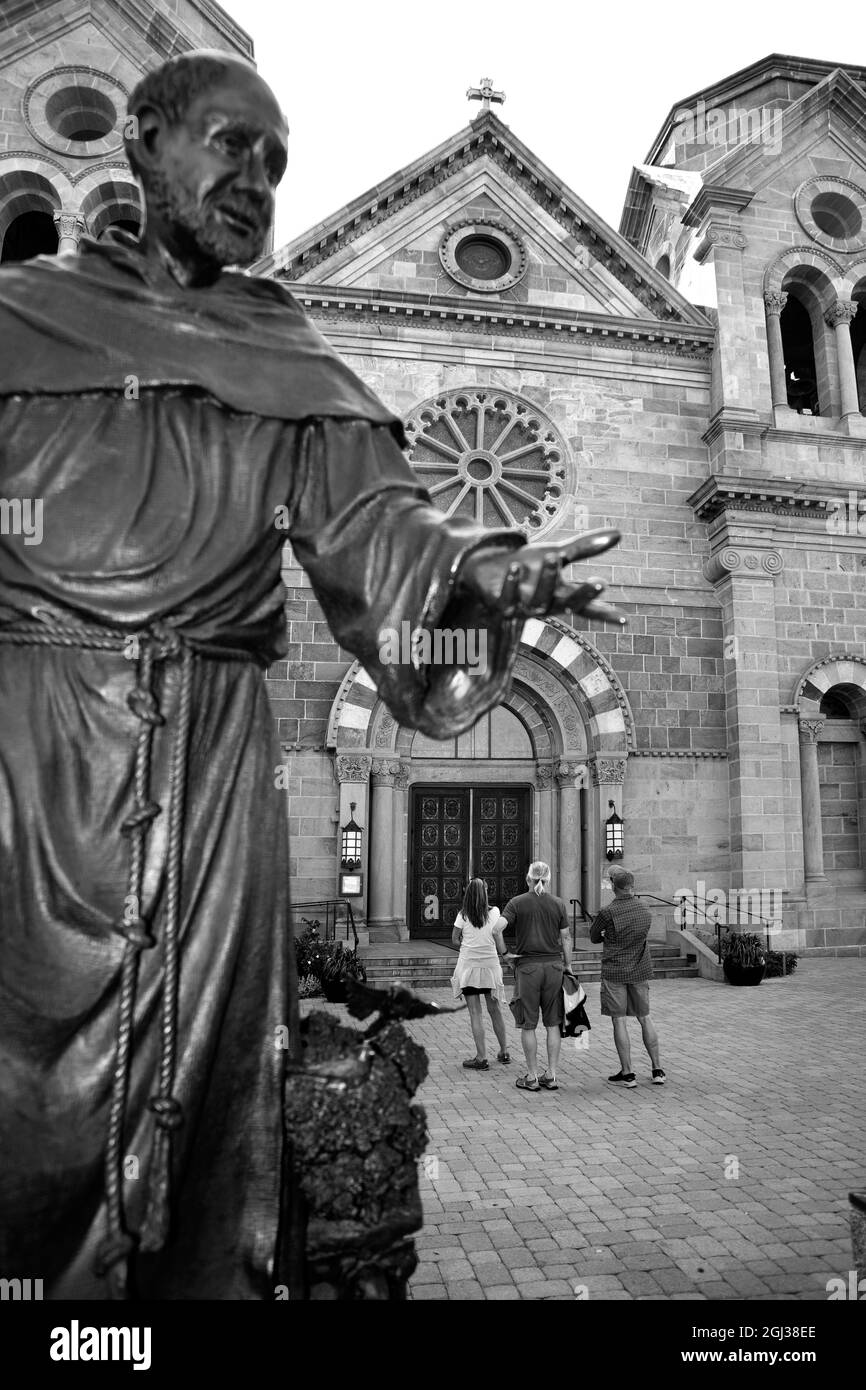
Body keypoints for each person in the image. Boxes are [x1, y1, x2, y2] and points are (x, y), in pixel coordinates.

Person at [0, 50, 624, 1300]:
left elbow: (383, 555)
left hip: (216, 766)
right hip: (34, 741)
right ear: (141, 137)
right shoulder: (19, 315)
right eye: (230, 144)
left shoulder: (283, 348)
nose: (253, 178)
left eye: (275, 163)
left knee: (208, 1072)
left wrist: (484, 584)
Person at [590, 867, 665, 1088]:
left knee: (619, 1020)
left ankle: (628, 1073)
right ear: (632, 886)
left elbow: (594, 936)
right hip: (639, 969)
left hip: (615, 971)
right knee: (645, 1017)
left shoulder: (608, 911)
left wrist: (607, 935)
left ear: (614, 886)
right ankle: (657, 1069)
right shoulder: (644, 907)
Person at [501, 862, 571, 1092]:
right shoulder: (558, 904)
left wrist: (505, 954)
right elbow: (566, 938)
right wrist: (568, 965)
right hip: (553, 966)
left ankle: (531, 1076)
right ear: (548, 880)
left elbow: (495, 929)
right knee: (553, 1023)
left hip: (528, 967)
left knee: (528, 1025)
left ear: (528, 879)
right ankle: (551, 1074)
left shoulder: (517, 902)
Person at [451, 878, 510, 1069]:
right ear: (485, 893)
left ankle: (481, 1057)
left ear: (467, 894)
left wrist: (468, 946)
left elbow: (454, 939)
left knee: (475, 1013)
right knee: (495, 1010)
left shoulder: (463, 915)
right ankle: (504, 1051)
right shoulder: (495, 912)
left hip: (468, 967)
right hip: (490, 967)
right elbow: (497, 933)